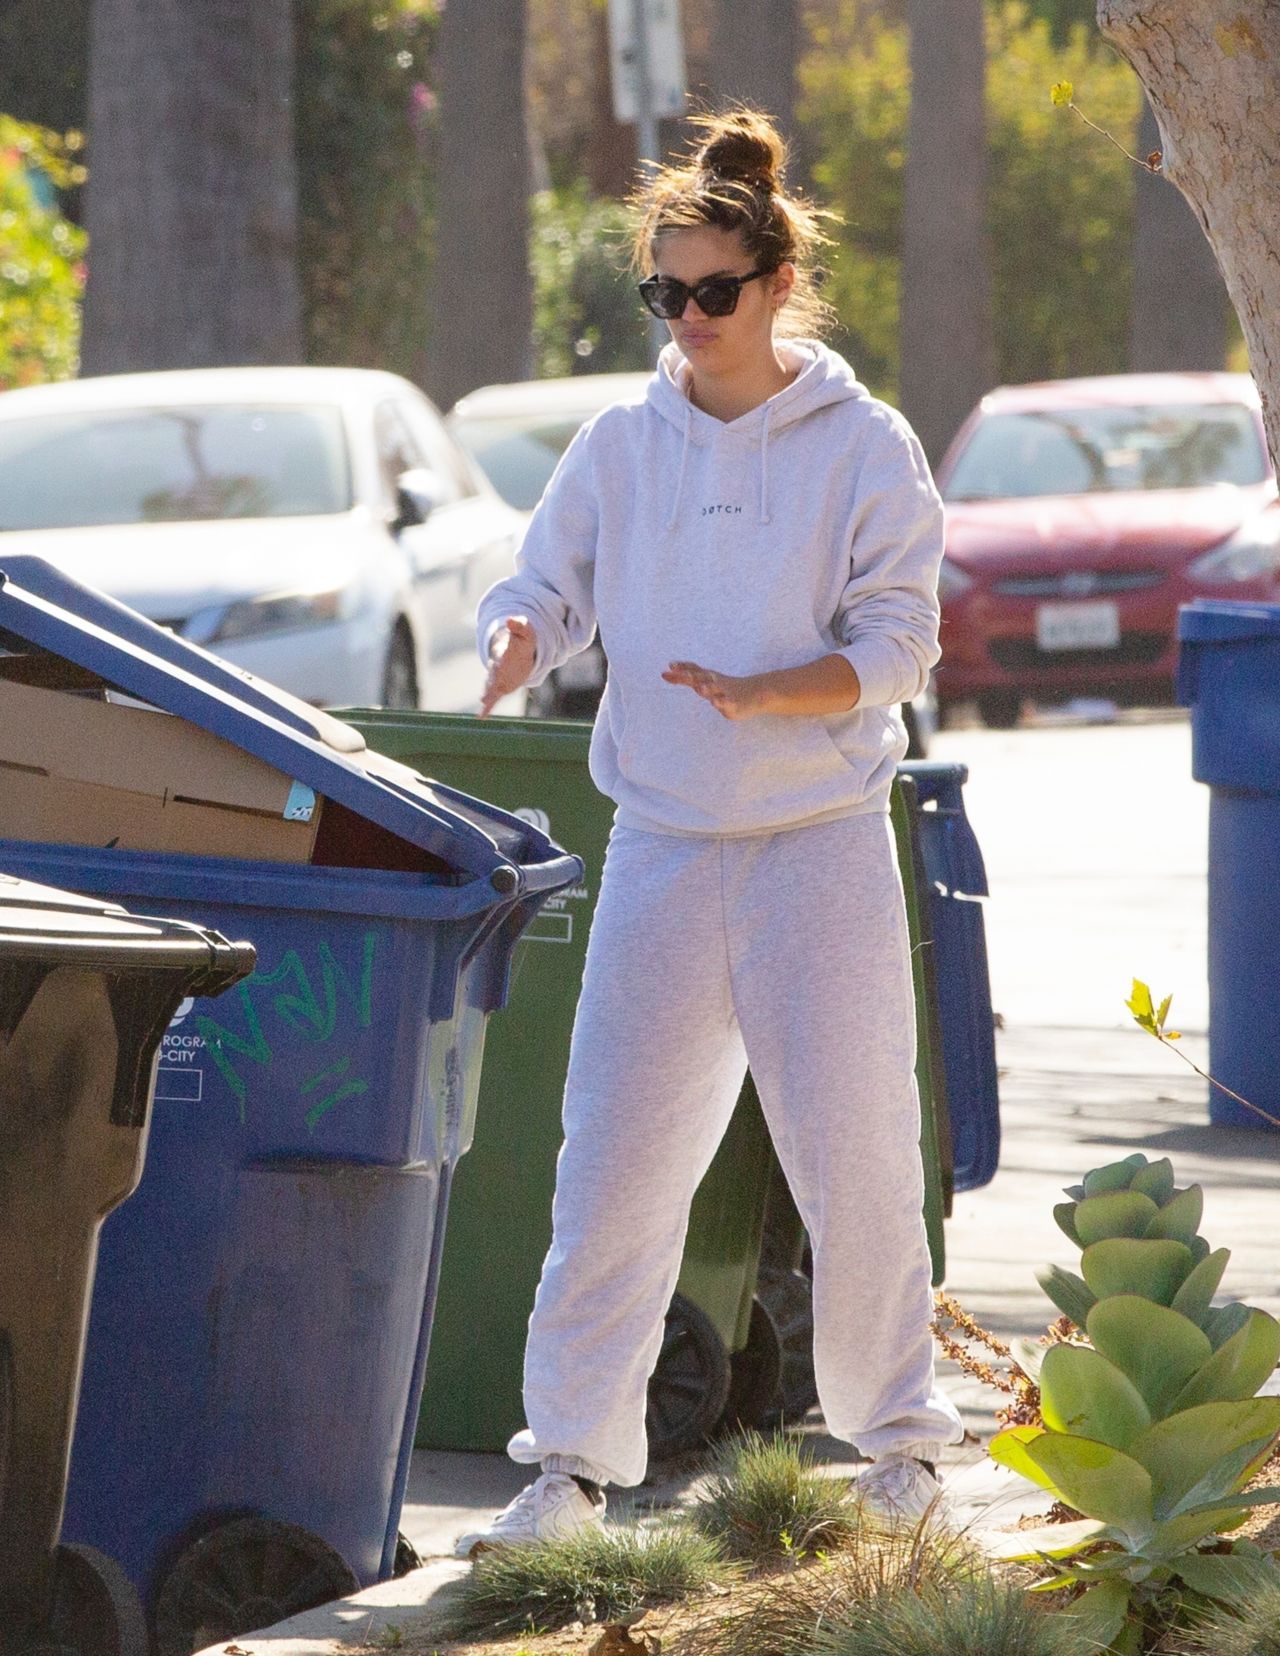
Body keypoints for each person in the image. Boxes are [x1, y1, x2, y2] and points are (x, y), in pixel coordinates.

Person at [455, 106, 963, 1557]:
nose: (688, 320)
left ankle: (906, 1451)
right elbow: (545, 581)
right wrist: (514, 633)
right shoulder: (625, 441)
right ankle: (567, 1469)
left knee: (857, 1152)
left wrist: (775, 692)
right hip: (666, 848)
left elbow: (901, 637)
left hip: (819, 845)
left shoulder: (864, 444)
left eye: (713, 292)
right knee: (612, 1158)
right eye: (663, 294)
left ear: (778, 282)